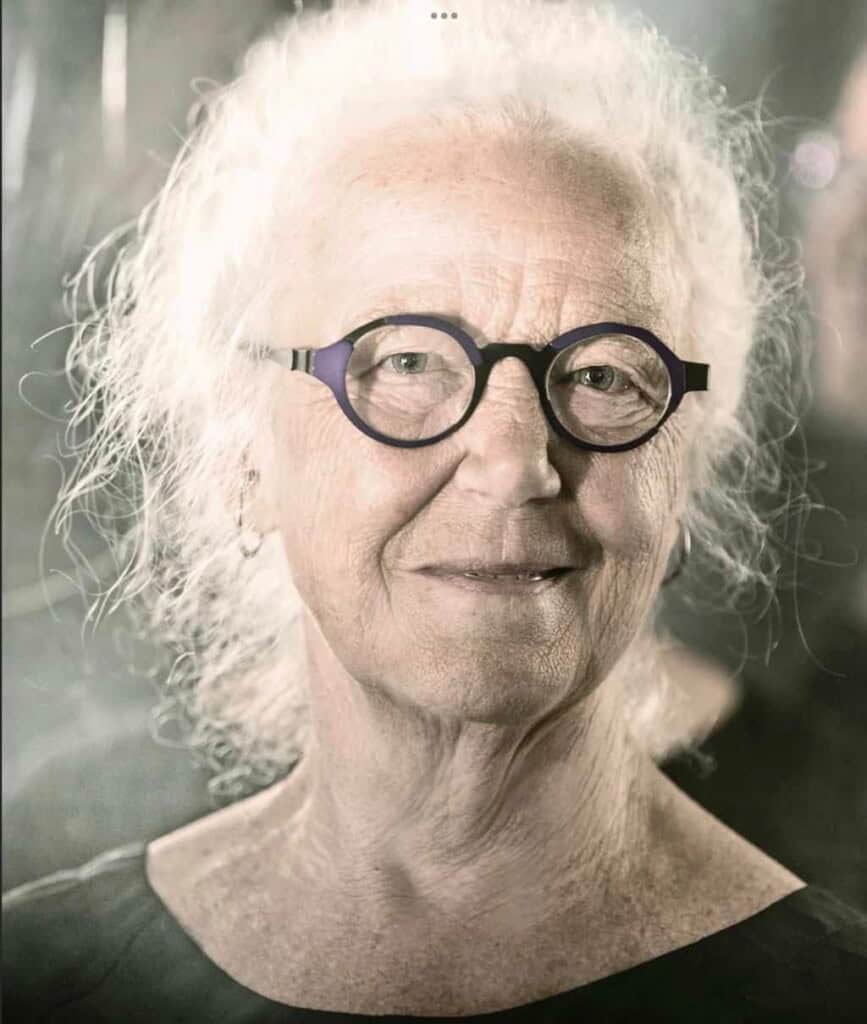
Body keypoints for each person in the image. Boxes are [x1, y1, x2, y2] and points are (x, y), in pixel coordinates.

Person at [3, 1, 865, 1020]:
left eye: (601, 375)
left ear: (683, 475)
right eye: (406, 362)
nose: (513, 464)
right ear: (244, 452)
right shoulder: (41, 973)